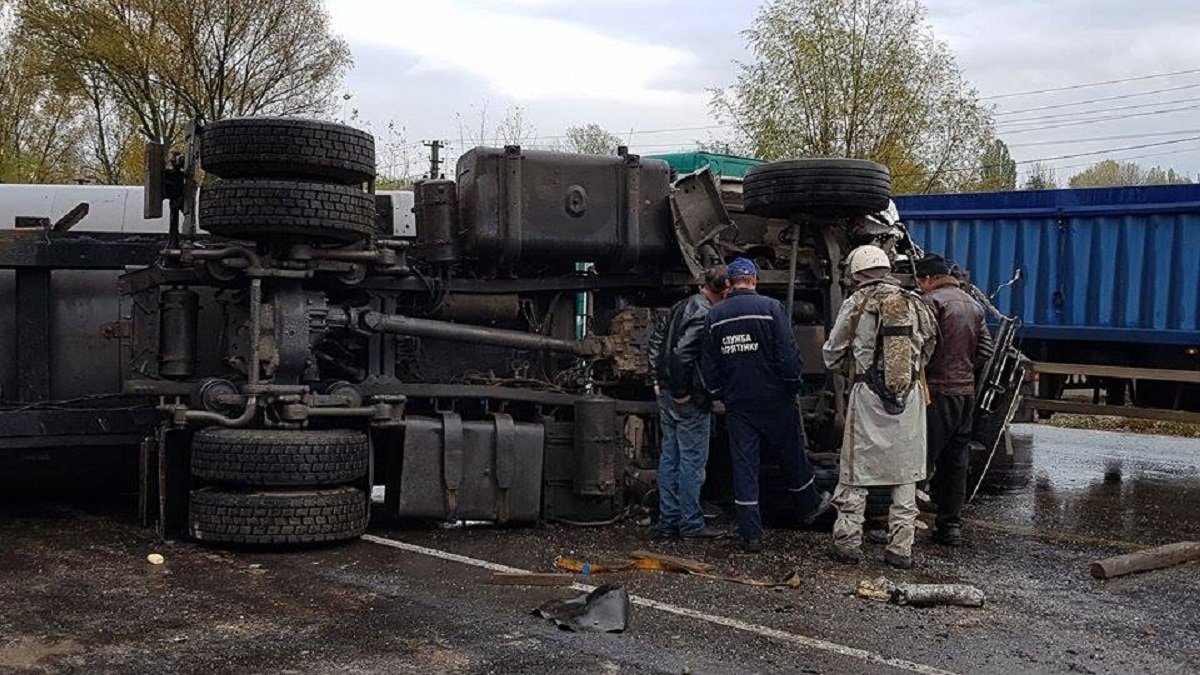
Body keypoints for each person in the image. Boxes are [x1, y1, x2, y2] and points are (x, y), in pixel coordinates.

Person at [702, 258, 832, 553]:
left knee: (744, 465)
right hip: (774, 398)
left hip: (739, 403)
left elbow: (709, 364)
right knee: (792, 455)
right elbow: (787, 354)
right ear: (755, 280)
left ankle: (751, 534)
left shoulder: (715, 315)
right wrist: (792, 384)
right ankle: (809, 506)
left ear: (729, 283)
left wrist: (720, 392)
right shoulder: (771, 309)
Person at [822, 245, 937, 569]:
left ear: (857, 273)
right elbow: (929, 344)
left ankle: (847, 544)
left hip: (867, 396)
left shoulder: (856, 303)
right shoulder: (915, 302)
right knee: (906, 475)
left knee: (856, 472)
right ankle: (900, 548)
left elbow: (831, 353)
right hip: (910, 396)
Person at [915, 254, 994, 546]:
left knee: (920, 459)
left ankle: (903, 524)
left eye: (919, 282)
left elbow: (919, 346)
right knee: (956, 462)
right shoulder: (973, 304)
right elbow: (986, 349)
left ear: (928, 279)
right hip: (965, 394)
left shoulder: (930, 302)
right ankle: (950, 527)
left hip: (935, 392)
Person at [646, 266, 729, 540]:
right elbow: (683, 354)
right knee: (692, 462)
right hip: (686, 396)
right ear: (724, 289)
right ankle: (691, 523)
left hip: (667, 394)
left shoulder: (681, 305)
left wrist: (657, 379)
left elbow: (656, 340)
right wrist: (682, 390)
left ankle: (668, 521)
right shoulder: (705, 313)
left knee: (670, 459)